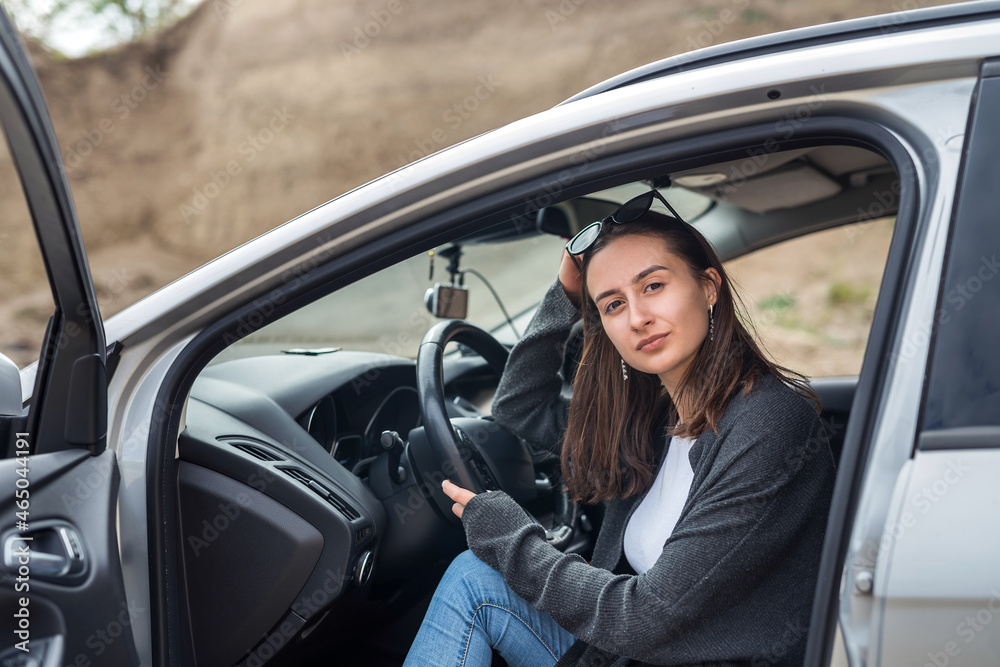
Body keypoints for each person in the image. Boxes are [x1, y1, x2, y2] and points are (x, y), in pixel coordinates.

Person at [403, 190, 837, 667]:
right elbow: (518, 407)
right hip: (624, 654)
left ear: (709, 287)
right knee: (473, 577)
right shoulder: (654, 421)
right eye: (612, 304)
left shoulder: (768, 424)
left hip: (666, 647)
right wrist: (564, 295)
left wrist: (510, 536)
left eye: (653, 286)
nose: (637, 318)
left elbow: (645, 618)